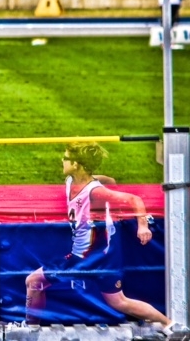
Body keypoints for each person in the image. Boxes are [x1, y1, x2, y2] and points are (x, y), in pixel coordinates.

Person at [22, 142, 186, 337]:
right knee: (119, 302)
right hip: (93, 254)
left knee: (34, 281)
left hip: (90, 255)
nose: (62, 161)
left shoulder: (95, 192)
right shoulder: (73, 181)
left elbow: (134, 200)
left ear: (77, 164)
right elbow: (109, 179)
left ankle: (30, 330)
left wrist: (142, 225)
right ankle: (171, 325)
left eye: (66, 158)